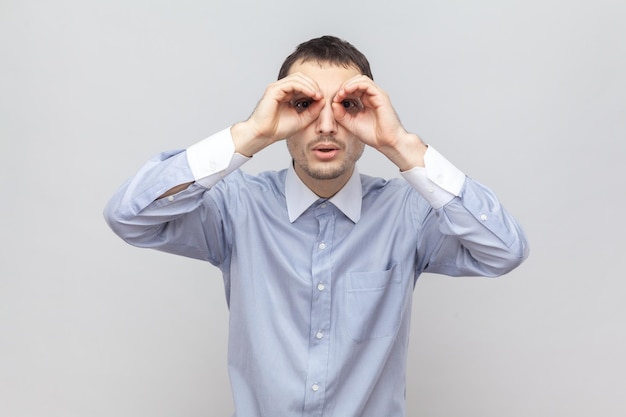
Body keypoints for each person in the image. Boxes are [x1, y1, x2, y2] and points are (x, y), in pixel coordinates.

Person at [104, 35, 529, 417]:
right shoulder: (237, 209)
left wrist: (402, 145)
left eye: (348, 106)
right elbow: (128, 216)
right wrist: (251, 133)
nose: (326, 125)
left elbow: (503, 250)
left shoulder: (409, 215)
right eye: (304, 105)